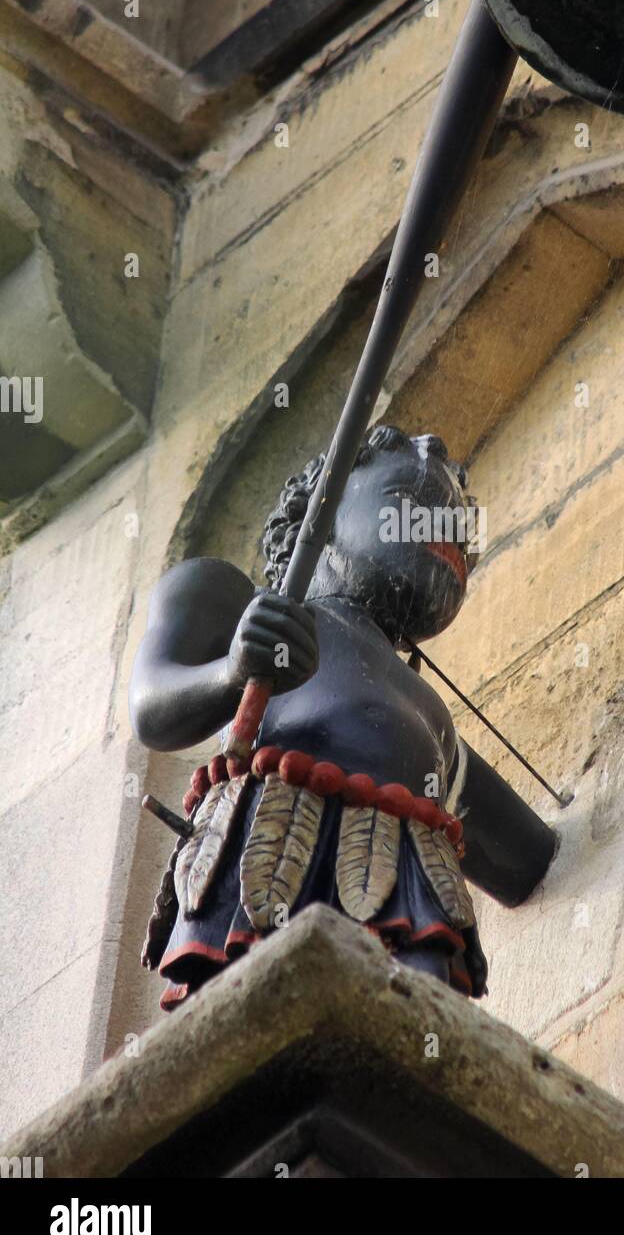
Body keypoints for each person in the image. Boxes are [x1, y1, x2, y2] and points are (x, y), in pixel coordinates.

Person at [130, 426, 555, 1010]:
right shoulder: (240, 600)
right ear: (320, 513)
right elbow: (152, 707)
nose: (448, 540)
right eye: (415, 509)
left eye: (461, 539)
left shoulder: (430, 721)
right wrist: (232, 671)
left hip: (405, 889)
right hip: (275, 853)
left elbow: (523, 858)